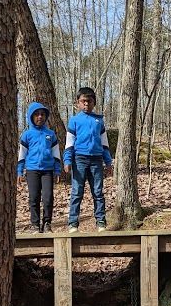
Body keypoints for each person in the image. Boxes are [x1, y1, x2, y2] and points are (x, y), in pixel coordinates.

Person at [63, 87, 113, 232]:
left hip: (97, 160)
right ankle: (73, 223)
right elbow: (69, 143)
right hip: (79, 159)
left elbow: (104, 144)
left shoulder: (99, 120)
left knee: (97, 192)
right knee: (77, 191)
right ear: (78, 103)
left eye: (89, 101)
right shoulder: (74, 120)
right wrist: (67, 160)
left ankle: (101, 221)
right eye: (83, 101)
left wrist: (108, 162)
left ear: (94, 102)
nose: (86, 104)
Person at [17, 101, 62, 232]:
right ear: (31, 117)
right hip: (32, 170)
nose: (40, 117)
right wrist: (19, 171)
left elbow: (56, 154)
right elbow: (22, 154)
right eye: (36, 114)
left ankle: (47, 223)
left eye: (42, 114)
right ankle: (35, 224)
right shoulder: (26, 135)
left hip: (47, 170)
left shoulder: (51, 134)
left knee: (48, 197)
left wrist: (57, 170)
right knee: (34, 198)